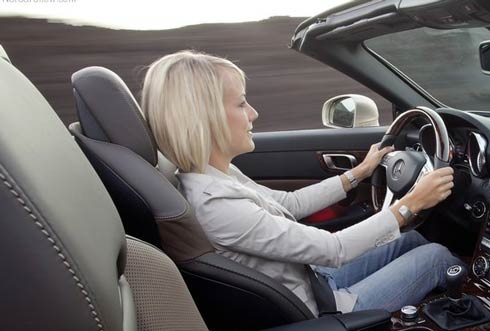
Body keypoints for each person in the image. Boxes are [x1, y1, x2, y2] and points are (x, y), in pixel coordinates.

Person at [142, 50, 462, 315]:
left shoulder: (211, 176)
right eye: (241, 104)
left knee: (409, 240)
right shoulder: (217, 204)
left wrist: (360, 173)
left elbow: (290, 205)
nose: (253, 113)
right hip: (324, 307)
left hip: (312, 277)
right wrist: (412, 203)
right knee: (435, 257)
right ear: (204, 118)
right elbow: (335, 249)